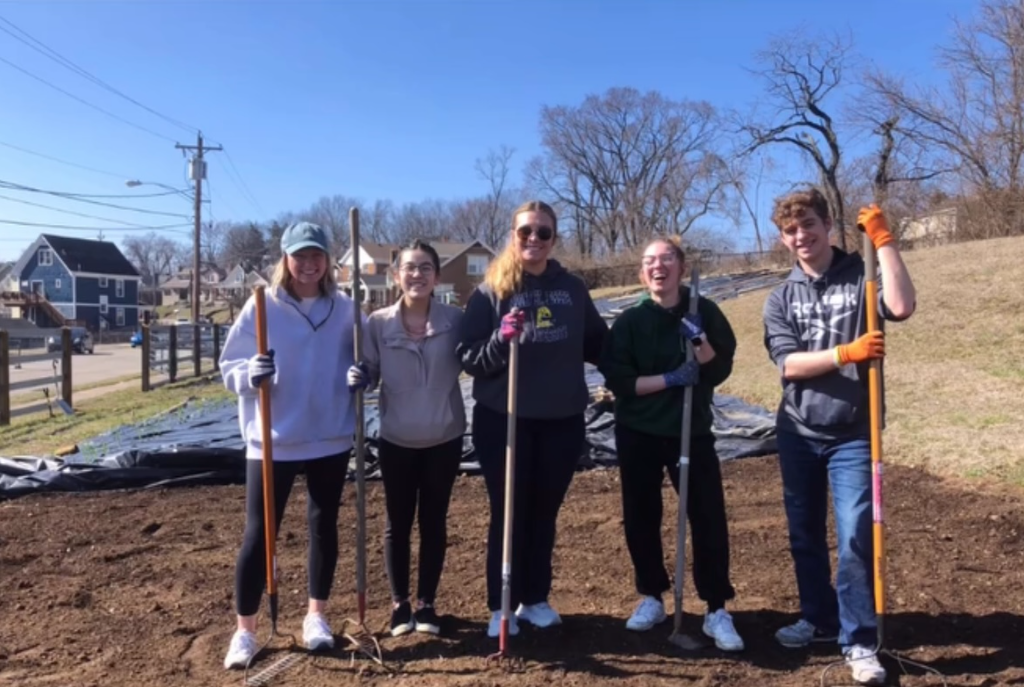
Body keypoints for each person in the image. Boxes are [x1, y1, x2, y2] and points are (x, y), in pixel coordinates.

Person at [763, 186, 916, 686]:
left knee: (854, 535)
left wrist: (884, 242)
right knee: (804, 533)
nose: (801, 236)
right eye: (790, 230)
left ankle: (859, 640)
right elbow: (788, 364)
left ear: (828, 226)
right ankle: (819, 618)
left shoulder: (862, 275)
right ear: (783, 239)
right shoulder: (781, 297)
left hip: (854, 431)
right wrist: (846, 354)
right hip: (798, 430)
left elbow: (901, 305)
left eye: (809, 224)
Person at [457, 199, 608, 638]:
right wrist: (500, 341)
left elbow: (599, 344)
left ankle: (535, 598)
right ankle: (501, 604)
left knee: (544, 511)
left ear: (554, 239)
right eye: (526, 231)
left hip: (561, 420)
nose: (534, 239)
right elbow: (469, 358)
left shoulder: (573, 289)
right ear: (513, 236)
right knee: (508, 512)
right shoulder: (491, 291)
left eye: (543, 232)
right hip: (504, 420)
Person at [218, 222, 361, 670]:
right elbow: (229, 367)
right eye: (300, 256)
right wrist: (250, 374)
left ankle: (316, 615)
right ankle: (245, 631)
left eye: (317, 255)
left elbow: (364, 359)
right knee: (259, 535)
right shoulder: (262, 306)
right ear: (286, 259)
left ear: (328, 260)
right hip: (273, 439)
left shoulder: (345, 309)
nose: (309, 264)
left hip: (329, 435)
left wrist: (363, 375)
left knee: (324, 526)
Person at [598, 237, 744, 651]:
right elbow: (621, 382)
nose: (657, 266)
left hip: (690, 430)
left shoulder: (704, 311)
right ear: (642, 272)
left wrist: (699, 342)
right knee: (641, 514)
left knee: (707, 515)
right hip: (639, 431)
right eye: (649, 261)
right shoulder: (630, 321)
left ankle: (716, 607)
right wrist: (670, 379)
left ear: (681, 266)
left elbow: (718, 371)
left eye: (666, 258)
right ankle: (651, 595)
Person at [346, 239, 466, 638]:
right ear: (396, 275)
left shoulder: (456, 320)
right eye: (410, 268)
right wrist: (360, 376)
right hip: (397, 439)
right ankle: (400, 604)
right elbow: (371, 373)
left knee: (434, 521)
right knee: (397, 523)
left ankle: (426, 602)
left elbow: (477, 358)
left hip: (444, 436)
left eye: (426, 267)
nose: (417, 275)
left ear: (437, 275)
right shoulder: (377, 324)